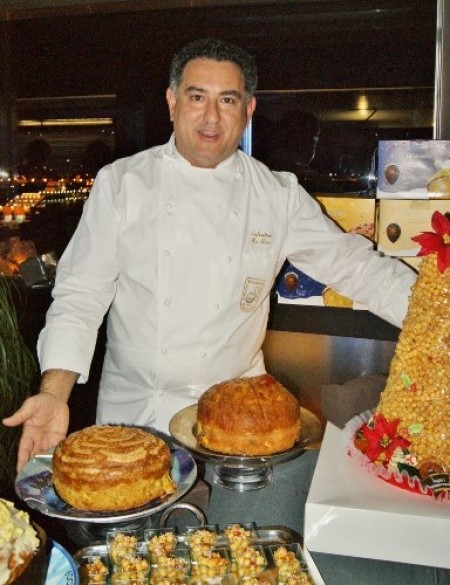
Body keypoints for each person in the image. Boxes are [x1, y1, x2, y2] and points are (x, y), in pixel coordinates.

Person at [4, 37, 445, 585]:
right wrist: (54, 393)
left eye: (228, 100)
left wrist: (439, 318)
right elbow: (80, 295)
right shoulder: (124, 185)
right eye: (197, 97)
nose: (211, 117)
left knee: (232, 564)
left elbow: (358, 267)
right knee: (133, 569)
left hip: (238, 440)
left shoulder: (275, 195)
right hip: (136, 427)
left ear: (249, 109)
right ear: (171, 102)